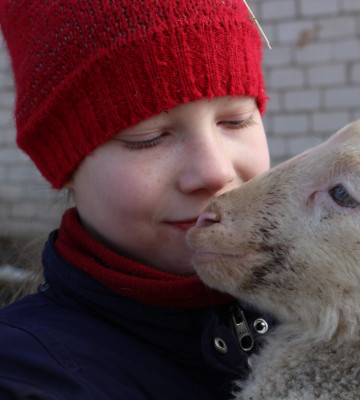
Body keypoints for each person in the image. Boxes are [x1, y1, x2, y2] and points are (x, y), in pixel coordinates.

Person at [0, 0, 277, 398]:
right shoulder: (28, 377)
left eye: (236, 120)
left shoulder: (332, 311)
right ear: (65, 164)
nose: (215, 171)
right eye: (148, 137)